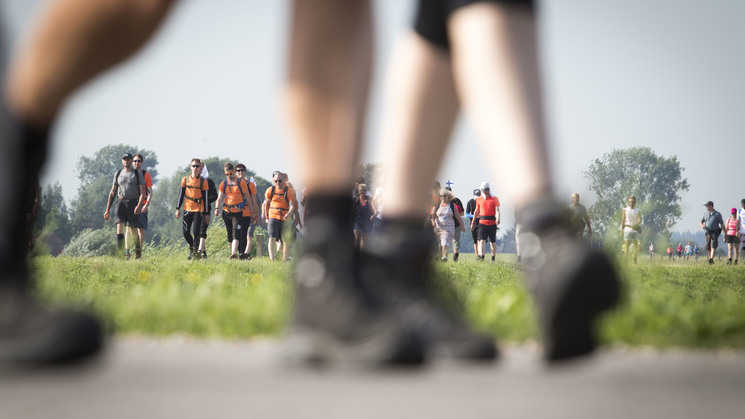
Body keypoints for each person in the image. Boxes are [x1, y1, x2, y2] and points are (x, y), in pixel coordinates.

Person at [104, 153, 146, 259]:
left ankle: (137, 253)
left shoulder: (137, 174)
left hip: (133, 203)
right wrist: (108, 209)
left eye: (128, 159)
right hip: (121, 202)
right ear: (122, 161)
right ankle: (121, 254)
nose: (126, 161)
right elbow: (113, 192)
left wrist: (139, 205)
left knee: (133, 229)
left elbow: (142, 192)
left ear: (131, 161)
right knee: (119, 226)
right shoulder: (118, 174)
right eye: (124, 159)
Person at [214, 162, 254, 260]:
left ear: (233, 172)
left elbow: (248, 197)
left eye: (230, 174)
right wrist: (216, 208)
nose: (229, 176)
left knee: (236, 232)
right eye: (227, 174)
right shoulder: (224, 184)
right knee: (229, 234)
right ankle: (233, 252)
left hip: (238, 212)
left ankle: (233, 253)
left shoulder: (241, 183)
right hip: (226, 211)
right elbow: (219, 198)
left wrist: (252, 211)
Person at [175, 158, 209, 260]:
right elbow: (181, 195)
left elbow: (206, 199)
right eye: (193, 166)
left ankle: (195, 254)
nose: (195, 168)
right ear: (191, 167)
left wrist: (206, 213)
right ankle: (191, 246)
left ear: (200, 168)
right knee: (185, 232)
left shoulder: (203, 181)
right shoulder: (185, 180)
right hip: (187, 209)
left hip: (199, 210)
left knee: (196, 232)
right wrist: (177, 208)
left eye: (197, 166)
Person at [262, 171, 295, 261]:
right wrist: (266, 216)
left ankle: (284, 258)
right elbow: (266, 203)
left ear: (284, 180)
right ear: (273, 180)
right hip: (273, 216)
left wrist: (289, 214)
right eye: (276, 181)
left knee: (286, 241)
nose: (278, 183)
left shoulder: (289, 191)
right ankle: (272, 259)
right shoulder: (270, 190)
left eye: (280, 181)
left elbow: (292, 205)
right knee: (272, 238)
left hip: (285, 218)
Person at [124, 153, 153, 258]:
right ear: (132, 162)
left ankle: (138, 253)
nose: (137, 163)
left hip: (142, 205)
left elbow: (150, 192)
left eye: (139, 161)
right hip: (129, 204)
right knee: (128, 228)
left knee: (140, 229)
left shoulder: (146, 175)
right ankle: (127, 251)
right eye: (135, 161)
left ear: (142, 162)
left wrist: (146, 205)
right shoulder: (128, 173)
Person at [234, 163, 260, 260]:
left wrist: (255, 215)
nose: (240, 172)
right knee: (236, 233)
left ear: (245, 172)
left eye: (242, 170)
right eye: (238, 171)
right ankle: (239, 252)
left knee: (243, 233)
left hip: (246, 212)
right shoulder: (233, 183)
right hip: (235, 212)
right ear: (235, 172)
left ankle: (242, 253)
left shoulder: (251, 185)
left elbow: (254, 201)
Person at [432, 188, 464, 261]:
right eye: (441, 196)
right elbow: (433, 214)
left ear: (448, 196)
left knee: (449, 241)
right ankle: (440, 256)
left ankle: (450, 257)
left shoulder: (456, 202)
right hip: (439, 226)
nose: (442, 197)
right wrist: (433, 221)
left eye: (444, 196)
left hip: (453, 225)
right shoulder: (438, 204)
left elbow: (461, 213)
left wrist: (462, 225)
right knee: (440, 242)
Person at [471, 182, 500, 262]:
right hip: (482, 223)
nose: (484, 192)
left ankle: (493, 258)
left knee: (492, 243)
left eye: (485, 190)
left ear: (488, 190)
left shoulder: (495, 198)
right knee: (481, 240)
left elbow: (497, 210)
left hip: (492, 223)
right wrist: (473, 222)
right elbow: (476, 211)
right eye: (482, 190)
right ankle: (481, 258)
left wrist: (498, 218)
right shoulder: (479, 199)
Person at [352, 183, 376, 250]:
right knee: (357, 239)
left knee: (364, 241)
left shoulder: (369, 200)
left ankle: (361, 256)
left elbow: (375, 210)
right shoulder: (355, 200)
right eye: (360, 190)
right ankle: (356, 254)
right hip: (357, 221)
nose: (362, 192)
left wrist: (374, 215)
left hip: (367, 221)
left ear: (366, 191)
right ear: (358, 191)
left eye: (363, 190)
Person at [700, 201, 725, 265]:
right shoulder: (705, 213)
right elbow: (701, 221)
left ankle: (711, 258)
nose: (706, 207)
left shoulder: (718, 214)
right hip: (707, 232)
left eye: (707, 206)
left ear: (711, 206)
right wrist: (702, 225)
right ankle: (711, 259)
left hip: (715, 232)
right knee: (708, 247)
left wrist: (725, 232)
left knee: (713, 245)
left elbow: (722, 224)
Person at [446, 186, 465, 261]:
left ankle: (455, 257)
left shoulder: (457, 201)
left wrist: (455, 215)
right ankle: (444, 257)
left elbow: (462, 213)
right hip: (445, 225)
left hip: (456, 224)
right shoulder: (442, 202)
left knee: (456, 242)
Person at [620, 195, 641, 263]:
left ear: (635, 202)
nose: (631, 203)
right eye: (630, 202)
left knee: (635, 245)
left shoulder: (638, 210)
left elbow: (640, 220)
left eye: (632, 202)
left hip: (635, 229)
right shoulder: (625, 210)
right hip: (627, 228)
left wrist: (636, 224)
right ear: (628, 202)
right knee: (627, 245)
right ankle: (626, 260)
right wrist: (621, 230)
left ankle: (635, 259)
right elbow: (623, 220)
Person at [465, 188, 481, 258]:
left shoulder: (482, 202)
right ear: (473, 195)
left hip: (481, 223)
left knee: (480, 240)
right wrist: (474, 216)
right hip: (473, 223)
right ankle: (477, 255)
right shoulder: (470, 202)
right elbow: (467, 214)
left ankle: (481, 255)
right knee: (475, 241)